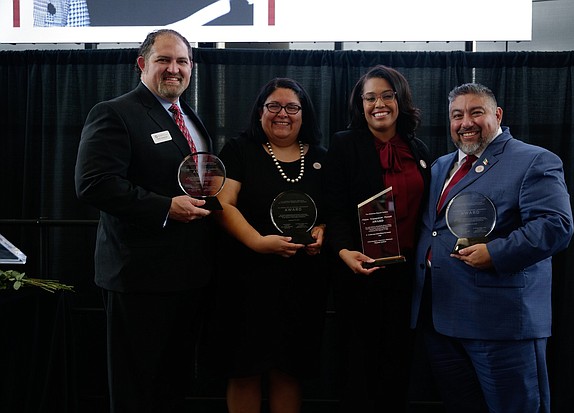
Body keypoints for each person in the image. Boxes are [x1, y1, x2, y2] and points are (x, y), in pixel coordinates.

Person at [74, 29, 215, 412]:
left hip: (188, 278)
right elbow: (94, 184)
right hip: (138, 279)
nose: (174, 69)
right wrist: (164, 207)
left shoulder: (190, 117)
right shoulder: (116, 112)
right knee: (136, 391)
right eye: (164, 60)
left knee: (173, 387)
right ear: (142, 64)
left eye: (182, 62)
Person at [411, 83, 574, 413]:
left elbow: (555, 226)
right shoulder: (440, 166)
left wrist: (496, 253)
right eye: (457, 116)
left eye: (476, 112)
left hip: (500, 323)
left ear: (497, 115)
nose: (465, 122)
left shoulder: (534, 160)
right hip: (440, 319)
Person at [213, 78, 329, 413]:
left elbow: (334, 210)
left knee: (289, 371)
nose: (283, 114)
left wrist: (323, 229)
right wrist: (258, 242)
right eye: (273, 106)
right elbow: (223, 204)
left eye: (292, 107)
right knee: (244, 371)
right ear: (260, 112)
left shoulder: (321, 157)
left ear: (304, 114)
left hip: (301, 283)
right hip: (246, 281)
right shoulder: (238, 150)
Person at [322, 65, 431, 413]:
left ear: (400, 99)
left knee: (399, 362)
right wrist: (343, 251)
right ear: (360, 104)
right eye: (370, 98)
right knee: (359, 365)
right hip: (360, 271)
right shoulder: (344, 144)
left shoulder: (419, 149)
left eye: (386, 95)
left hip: (408, 276)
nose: (378, 104)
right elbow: (335, 209)